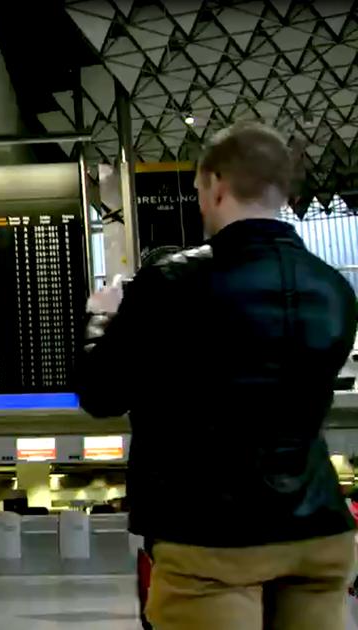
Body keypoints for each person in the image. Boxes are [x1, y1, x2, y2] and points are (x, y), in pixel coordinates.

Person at [78, 121, 358, 629]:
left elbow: (100, 393)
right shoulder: (333, 288)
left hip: (212, 537)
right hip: (320, 531)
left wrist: (105, 316)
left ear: (215, 185)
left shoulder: (173, 281)